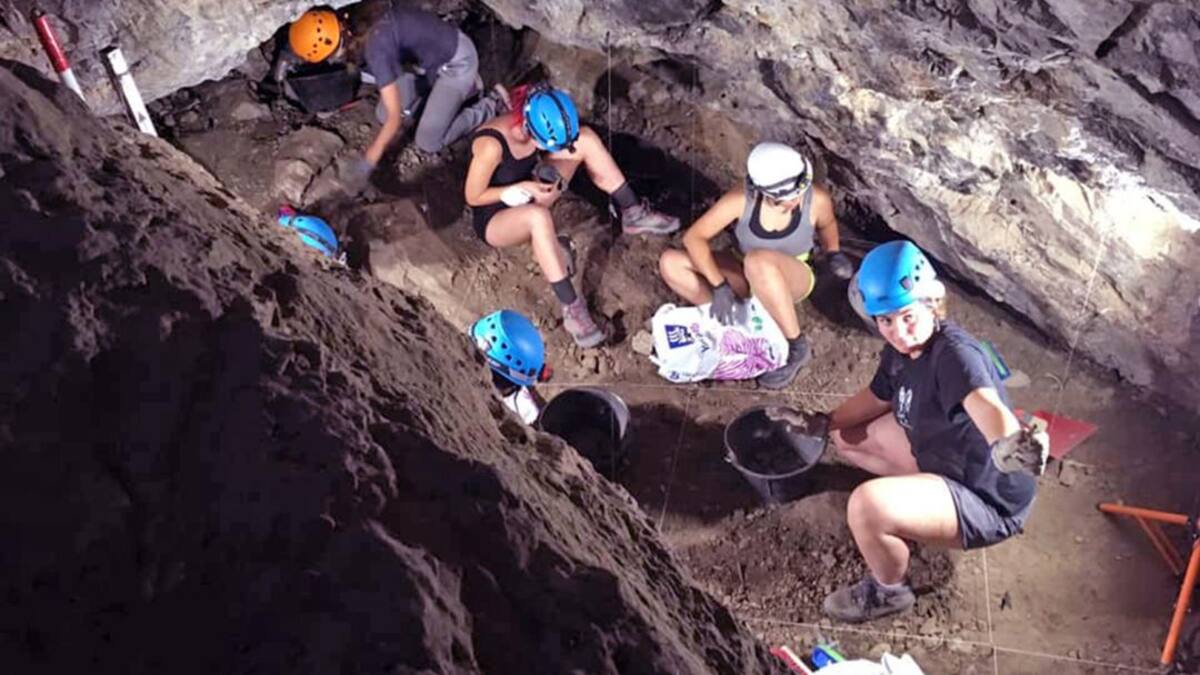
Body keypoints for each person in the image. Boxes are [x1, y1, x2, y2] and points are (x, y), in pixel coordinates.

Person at [777, 240, 1048, 623]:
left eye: (907, 316)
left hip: (986, 498)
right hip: (943, 458)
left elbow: (984, 404)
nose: (898, 331)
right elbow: (878, 395)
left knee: (866, 505)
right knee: (845, 436)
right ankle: (911, 509)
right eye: (885, 320)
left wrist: (1008, 443)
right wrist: (823, 420)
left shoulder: (955, 355)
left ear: (931, 303)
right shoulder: (902, 350)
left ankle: (889, 591)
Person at [463, 85, 681, 348]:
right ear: (529, 126)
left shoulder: (536, 117)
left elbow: (545, 152)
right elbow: (473, 196)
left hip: (530, 190)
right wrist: (513, 190)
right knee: (537, 217)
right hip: (495, 218)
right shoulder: (491, 145)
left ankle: (632, 211)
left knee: (585, 139)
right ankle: (572, 310)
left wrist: (539, 176)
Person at [658, 141, 854, 389]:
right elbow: (694, 238)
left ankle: (796, 346)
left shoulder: (817, 199)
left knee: (759, 260)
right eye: (786, 198)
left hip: (793, 275)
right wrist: (719, 286)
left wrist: (833, 252)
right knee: (671, 262)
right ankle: (736, 324)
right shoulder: (740, 199)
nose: (796, 200)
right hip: (745, 272)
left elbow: (827, 225)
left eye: (799, 193)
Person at [279, 6, 509, 189]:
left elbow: (394, 120)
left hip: (457, 62)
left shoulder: (376, 49)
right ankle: (434, 97)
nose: (332, 60)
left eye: (330, 56)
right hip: (422, 62)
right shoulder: (353, 18)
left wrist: (369, 160)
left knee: (428, 141)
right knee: (383, 112)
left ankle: (491, 103)